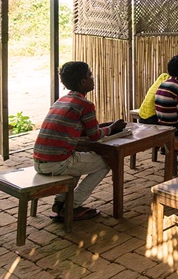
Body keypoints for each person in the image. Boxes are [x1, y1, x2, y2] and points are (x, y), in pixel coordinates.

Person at [33, 61, 126, 221]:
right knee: (106, 163)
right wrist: (112, 128)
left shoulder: (61, 101)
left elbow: (82, 130)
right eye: (90, 75)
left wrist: (103, 127)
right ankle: (72, 207)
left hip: (40, 161)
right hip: (58, 162)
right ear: (83, 82)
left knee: (77, 163)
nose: (93, 78)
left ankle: (60, 203)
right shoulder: (85, 105)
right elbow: (94, 136)